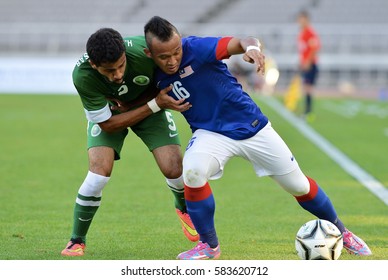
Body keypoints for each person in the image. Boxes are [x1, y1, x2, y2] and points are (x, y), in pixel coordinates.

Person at [143, 16, 372, 260]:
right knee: (193, 171)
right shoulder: (147, 71)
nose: (172, 60)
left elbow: (242, 41)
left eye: (176, 52)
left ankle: (343, 232)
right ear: (149, 53)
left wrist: (252, 48)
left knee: (299, 186)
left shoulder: (197, 47)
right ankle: (208, 245)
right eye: (164, 57)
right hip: (210, 133)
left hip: (252, 127)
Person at [61, 28, 198, 257]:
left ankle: (183, 208)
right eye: (109, 70)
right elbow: (108, 125)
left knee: (175, 169)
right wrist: (154, 104)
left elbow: (170, 69)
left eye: (121, 65)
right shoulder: (82, 75)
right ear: (94, 66)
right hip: (113, 116)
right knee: (97, 176)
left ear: (125, 53)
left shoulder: (144, 50)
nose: (117, 74)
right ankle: (77, 240)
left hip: (152, 110)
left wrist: (150, 102)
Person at [297, 10, 320, 121]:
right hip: (306, 64)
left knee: (308, 88)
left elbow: (314, 48)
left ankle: (308, 112)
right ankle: (307, 111)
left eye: (302, 19)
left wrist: (307, 62)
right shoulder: (302, 33)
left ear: (306, 19)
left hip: (311, 65)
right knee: (306, 88)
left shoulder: (310, 33)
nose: (300, 21)